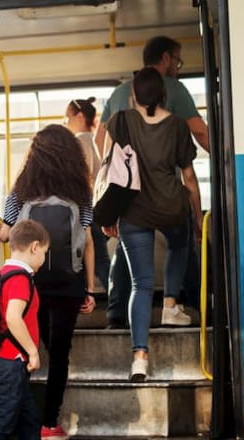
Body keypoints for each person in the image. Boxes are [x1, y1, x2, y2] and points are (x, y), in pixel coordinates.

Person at [94, 35, 208, 328]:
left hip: (129, 196)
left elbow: (100, 140)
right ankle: (196, 305)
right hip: (166, 193)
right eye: (177, 61)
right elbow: (200, 132)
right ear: (166, 58)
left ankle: (116, 313)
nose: (178, 68)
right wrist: (227, 160)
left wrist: (117, 174)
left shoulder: (119, 92)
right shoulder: (174, 89)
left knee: (125, 253)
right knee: (182, 244)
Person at [101, 67, 202, 381]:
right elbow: (188, 177)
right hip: (172, 207)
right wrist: (197, 217)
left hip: (134, 211)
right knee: (180, 243)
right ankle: (172, 304)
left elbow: (108, 168)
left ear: (133, 94)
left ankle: (140, 358)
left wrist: (107, 214)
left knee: (140, 286)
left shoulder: (120, 122)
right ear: (164, 95)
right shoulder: (176, 126)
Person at [0, 125, 96, 439]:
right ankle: (49, 423)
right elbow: (88, 241)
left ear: (35, 156)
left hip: (28, 283)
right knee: (59, 353)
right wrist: (90, 288)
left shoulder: (21, 193)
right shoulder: (80, 194)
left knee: (25, 349)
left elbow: (8, 234)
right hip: (69, 283)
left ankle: (18, 419)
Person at [0, 219, 49, 440]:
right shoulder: (20, 279)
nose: (43, 259)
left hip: (2, 360)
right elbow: (12, 318)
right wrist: (33, 351)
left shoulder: (2, 275)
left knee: (28, 422)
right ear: (35, 247)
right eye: (45, 252)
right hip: (10, 361)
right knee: (2, 424)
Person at [65, 97, 110, 295]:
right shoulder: (94, 141)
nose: (65, 123)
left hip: (86, 208)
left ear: (80, 116)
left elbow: (83, 177)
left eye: (67, 117)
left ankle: (117, 306)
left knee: (97, 259)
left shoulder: (80, 141)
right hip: (97, 206)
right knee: (99, 259)